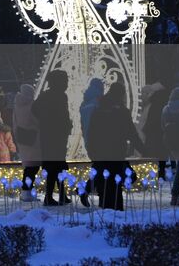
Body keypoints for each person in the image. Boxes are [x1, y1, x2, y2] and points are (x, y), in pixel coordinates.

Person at [84, 81, 142, 211]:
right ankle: (116, 214)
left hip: (101, 153)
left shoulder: (99, 109)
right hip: (116, 153)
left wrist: (92, 151)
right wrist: (144, 149)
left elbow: (91, 133)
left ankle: (105, 212)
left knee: (105, 186)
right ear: (121, 95)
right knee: (115, 188)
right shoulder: (121, 112)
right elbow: (131, 133)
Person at [34, 70, 73, 205]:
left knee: (55, 166)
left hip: (50, 136)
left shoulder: (46, 96)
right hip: (55, 136)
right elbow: (62, 116)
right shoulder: (59, 96)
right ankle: (51, 196)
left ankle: (59, 194)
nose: (67, 84)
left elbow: (35, 109)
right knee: (55, 166)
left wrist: (45, 122)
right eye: (65, 81)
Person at [13, 85, 42, 194]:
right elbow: (37, 121)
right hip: (34, 138)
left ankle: (26, 191)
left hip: (22, 138)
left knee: (29, 166)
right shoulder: (33, 105)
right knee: (33, 167)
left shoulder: (17, 105)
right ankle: (27, 190)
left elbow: (15, 122)